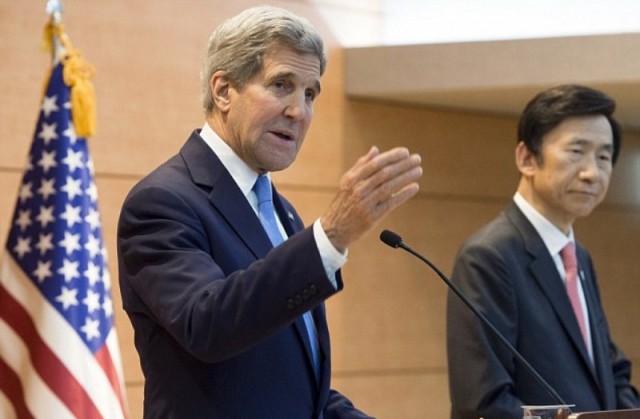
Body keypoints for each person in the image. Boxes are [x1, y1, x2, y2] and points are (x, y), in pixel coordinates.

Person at [117, 5, 422, 418]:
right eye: (281, 85)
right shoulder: (162, 202)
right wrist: (330, 236)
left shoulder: (282, 212)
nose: (299, 111)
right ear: (223, 90)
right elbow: (208, 325)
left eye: (310, 94)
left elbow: (293, 388)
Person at [446, 84, 640, 418]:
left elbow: (609, 374)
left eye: (603, 157)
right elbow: (483, 402)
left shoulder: (578, 256)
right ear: (526, 158)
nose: (592, 173)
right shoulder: (488, 256)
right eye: (576, 151)